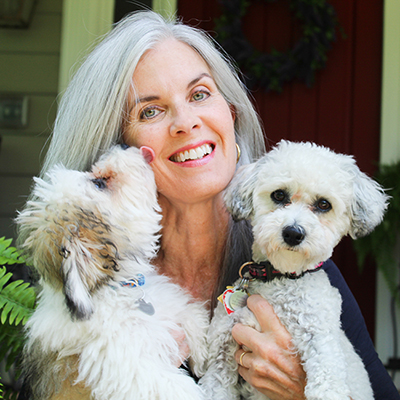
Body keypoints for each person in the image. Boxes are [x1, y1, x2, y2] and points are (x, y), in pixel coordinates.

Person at [18, 10, 399, 400]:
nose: (186, 122)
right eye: (150, 111)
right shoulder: (92, 286)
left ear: (230, 115)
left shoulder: (295, 262)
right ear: (116, 148)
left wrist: (302, 391)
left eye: (200, 94)